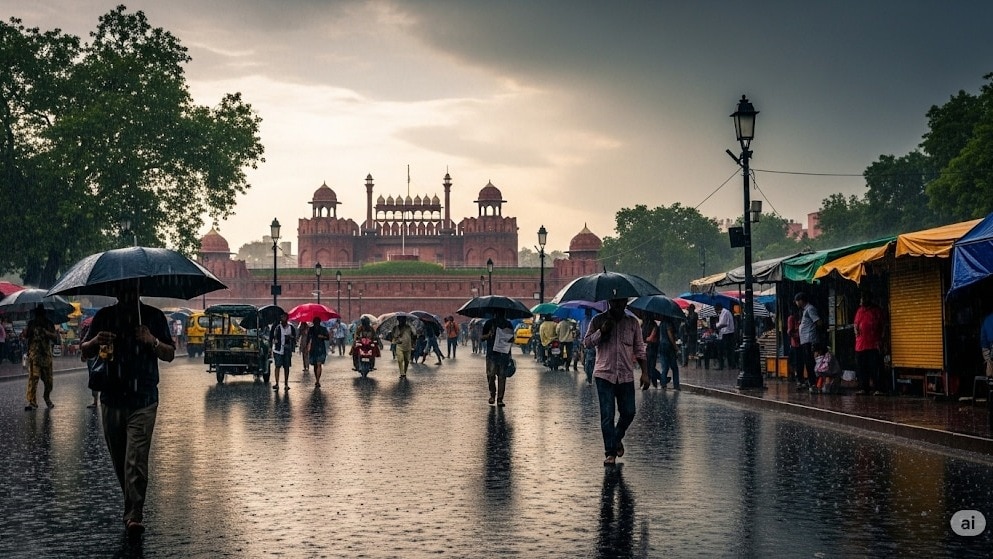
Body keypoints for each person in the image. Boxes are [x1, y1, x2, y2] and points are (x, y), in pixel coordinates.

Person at [80, 281, 175, 538]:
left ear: (138, 291)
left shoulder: (153, 317)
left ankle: (134, 513)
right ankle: (131, 502)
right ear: (116, 292)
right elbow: (84, 352)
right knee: (121, 459)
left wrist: (151, 340)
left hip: (143, 398)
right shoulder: (104, 317)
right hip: (111, 398)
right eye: (122, 290)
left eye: (131, 290)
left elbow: (169, 354)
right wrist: (97, 340)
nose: (126, 295)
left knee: (136, 458)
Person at [583, 298, 649, 466]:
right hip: (604, 374)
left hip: (626, 375)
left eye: (622, 301)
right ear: (610, 301)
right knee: (608, 416)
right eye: (615, 301)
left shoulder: (633, 323)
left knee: (629, 412)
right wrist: (602, 332)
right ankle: (610, 452)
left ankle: (617, 437)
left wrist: (645, 373)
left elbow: (639, 348)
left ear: (626, 302)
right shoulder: (597, 320)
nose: (619, 304)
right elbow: (587, 343)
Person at [22, 305, 59, 410]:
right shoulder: (31, 323)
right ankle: (32, 401)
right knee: (33, 378)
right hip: (34, 355)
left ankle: (47, 398)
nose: (39, 317)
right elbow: (27, 335)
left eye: (41, 314)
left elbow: (55, 338)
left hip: (46, 356)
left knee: (48, 382)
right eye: (37, 314)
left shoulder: (49, 323)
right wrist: (27, 331)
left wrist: (46, 332)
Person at [480, 308, 514, 406]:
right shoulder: (489, 324)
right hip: (491, 354)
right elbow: (482, 338)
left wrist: (508, 337)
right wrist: (489, 335)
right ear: (495, 314)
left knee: (502, 377)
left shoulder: (508, 324)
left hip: (503, 354)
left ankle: (499, 399)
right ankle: (492, 395)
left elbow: (512, 339)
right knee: (491, 376)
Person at [795, 292, 822, 390]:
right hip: (805, 340)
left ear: (801, 300)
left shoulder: (810, 309)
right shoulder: (805, 310)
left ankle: (813, 382)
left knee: (810, 362)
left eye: (797, 301)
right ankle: (811, 381)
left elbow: (818, 321)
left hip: (810, 339)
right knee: (808, 361)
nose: (796, 303)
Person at [269, 313, 297, 391]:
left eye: (284, 317)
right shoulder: (277, 327)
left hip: (287, 350)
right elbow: (272, 337)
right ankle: (277, 383)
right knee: (277, 366)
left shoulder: (291, 327)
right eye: (282, 317)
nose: (283, 319)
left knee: (286, 367)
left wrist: (291, 337)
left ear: (287, 318)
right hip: (278, 350)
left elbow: (295, 338)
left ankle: (286, 383)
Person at [658, 316, 680, 390]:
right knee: (674, 367)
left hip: (661, 346)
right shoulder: (668, 323)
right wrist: (675, 346)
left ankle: (663, 384)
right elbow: (669, 334)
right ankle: (676, 385)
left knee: (665, 367)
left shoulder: (661, 323)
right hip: (668, 346)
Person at [714, 303, 736, 370]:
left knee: (724, 350)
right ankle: (730, 365)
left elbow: (723, 323)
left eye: (715, 310)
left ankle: (725, 365)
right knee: (728, 350)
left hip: (727, 333)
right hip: (726, 333)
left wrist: (716, 325)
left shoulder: (724, 312)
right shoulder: (723, 312)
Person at [308, 317, 330, 387]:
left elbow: (327, 337)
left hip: (320, 348)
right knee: (315, 365)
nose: (316, 323)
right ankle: (317, 379)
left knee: (319, 364)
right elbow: (308, 338)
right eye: (315, 322)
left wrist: (322, 337)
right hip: (313, 348)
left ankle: (317, 380)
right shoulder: (311, 329)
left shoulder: (323, 329)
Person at [640, 316, 660, 387]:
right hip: (651, 347)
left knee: (648, 366)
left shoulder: (643, 325)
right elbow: (651, 338)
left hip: (647, 347)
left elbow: (644, 337)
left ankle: (651, 382)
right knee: (650, 366)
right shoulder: (653, 325)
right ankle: (660, 379)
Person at [786, 308, 802, 384]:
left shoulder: (799, 318)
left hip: (799, 343)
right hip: (796, 343)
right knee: (797, 362)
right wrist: (797, 336)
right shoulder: (792, 318)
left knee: (798, 362)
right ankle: (797, 377)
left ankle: (798, 377)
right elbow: (790, 332)